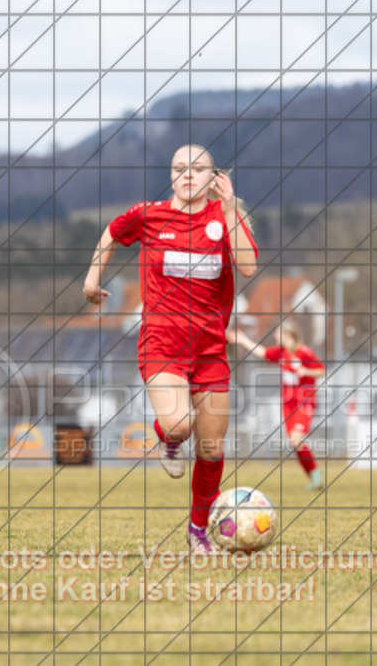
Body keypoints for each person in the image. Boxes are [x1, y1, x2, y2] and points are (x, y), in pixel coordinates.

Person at [83, 144, 257, 553]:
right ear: (172, 174)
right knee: (180, 424)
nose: (187, 175)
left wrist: (230, 210)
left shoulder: (224, 218)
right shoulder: (150, 214)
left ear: (213, 178)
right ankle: (170, 438)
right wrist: (92, 280)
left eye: (197, 169)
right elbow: (110, 231)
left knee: (212, 449)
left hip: (211, 350)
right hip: (162, 344)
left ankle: (198, 530)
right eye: (180, 168)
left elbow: (248, 266)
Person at [228, 320, 326, 489]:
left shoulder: (304, 353)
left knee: (296, 440)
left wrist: (306, 371)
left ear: (287, 335)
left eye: (278, 333)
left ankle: (316, 476)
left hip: (304, 401)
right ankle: (314, 476)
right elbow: (263, 352)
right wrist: (243, 340)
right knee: (294, 442)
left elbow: (321, 370)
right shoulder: (281, 352)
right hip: (288, 403)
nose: (275, 336)